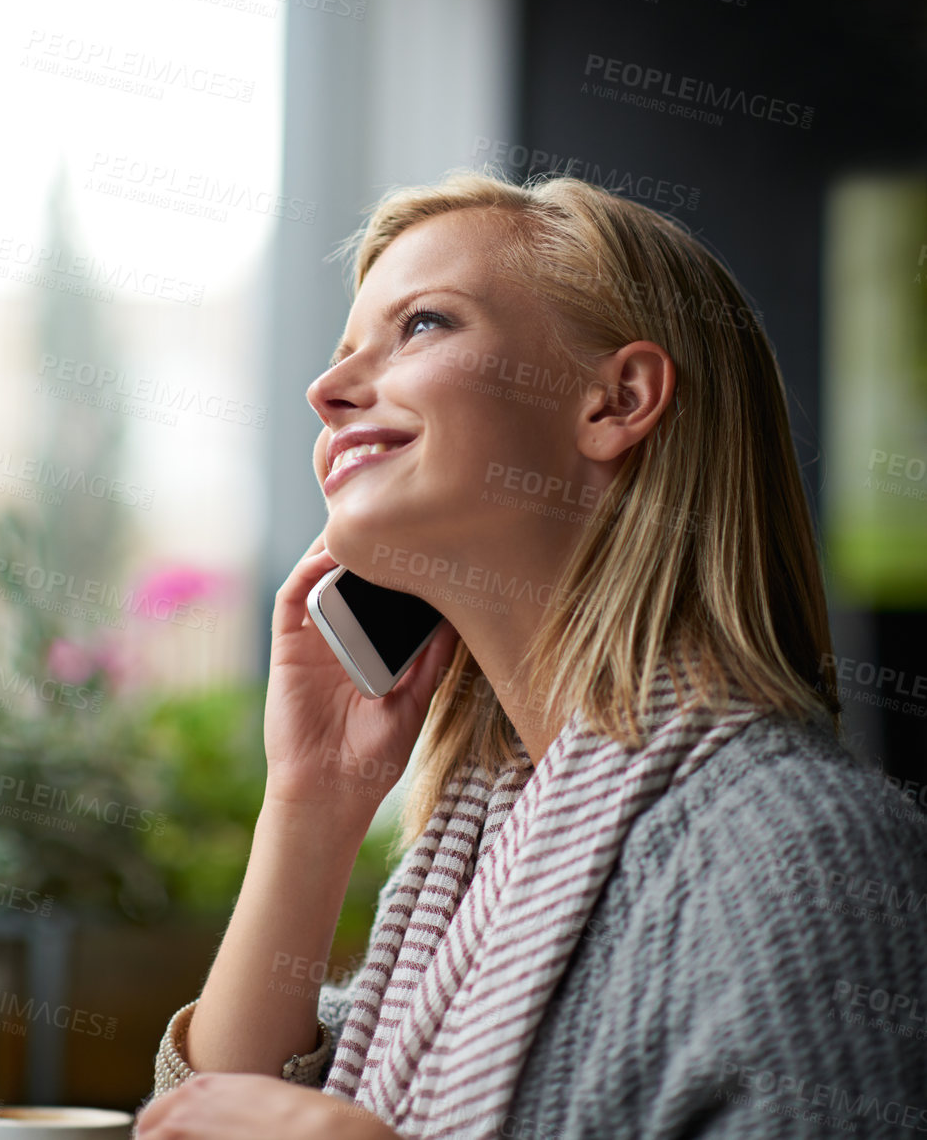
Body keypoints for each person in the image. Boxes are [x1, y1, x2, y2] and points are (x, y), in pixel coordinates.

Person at [135, 172, 927, 1138]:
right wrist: (313, 799)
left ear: (615, 398)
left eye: (421, 324)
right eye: (345, 351)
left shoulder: (801, 847)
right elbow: (202, 1114)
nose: (326, 390)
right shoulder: (470, 870)